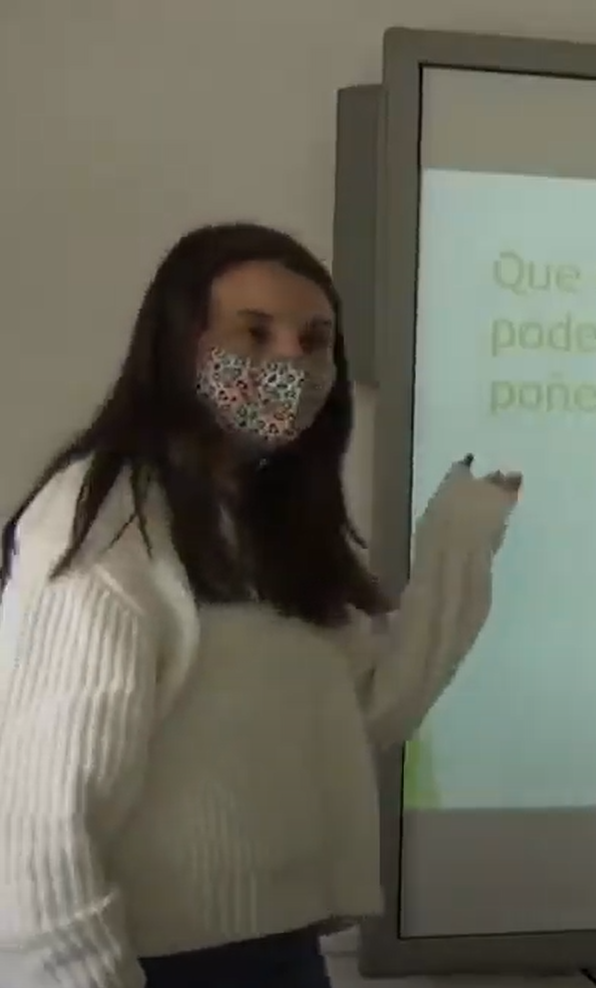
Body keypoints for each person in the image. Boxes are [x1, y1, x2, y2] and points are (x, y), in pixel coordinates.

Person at [0, 223, 522, 988]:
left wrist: (459, 543)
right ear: (180, 346)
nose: (292, 363)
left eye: (315, 341)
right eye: (255, 333)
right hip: (152, 965)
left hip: (280, 950)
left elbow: (369, 712)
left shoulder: (267, 521)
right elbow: (42, 823)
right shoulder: (107, 517)